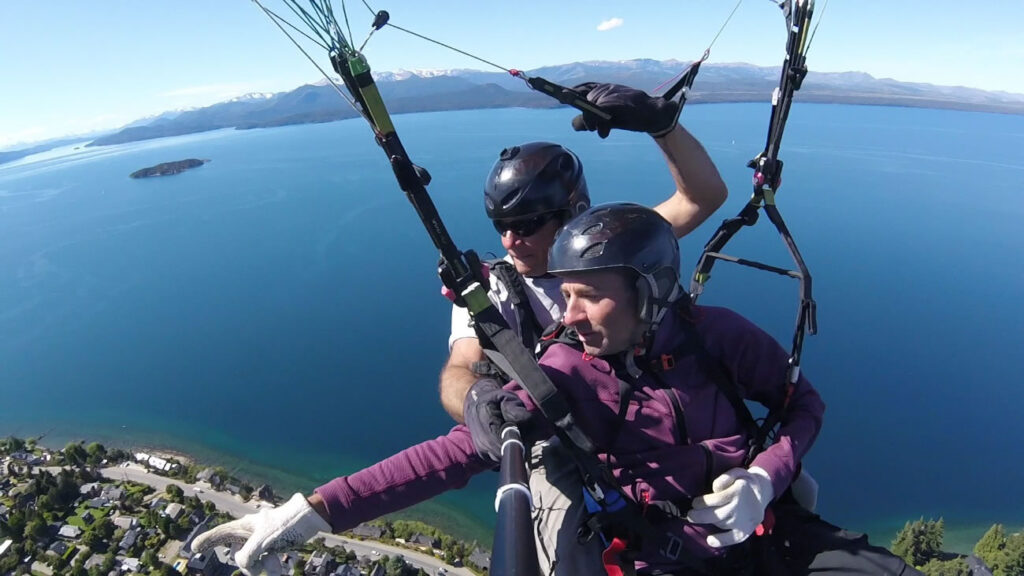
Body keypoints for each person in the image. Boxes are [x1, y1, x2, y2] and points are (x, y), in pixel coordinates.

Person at [192, 203, 920, 576]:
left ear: (650, 291)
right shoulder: (568, 371)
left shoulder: (716, 335)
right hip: (666, 554)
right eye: (561, 294)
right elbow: (457, 453)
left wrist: (766, 476)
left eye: (585, 296)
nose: (564, 316)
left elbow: (802, 403)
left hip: (769, 535)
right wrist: (315, 511)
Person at [439, 82, 729, 424]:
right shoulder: (492, 290)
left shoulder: (614, 245)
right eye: (500, 226)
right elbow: (460, 367)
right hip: (574, 441)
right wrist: (478, 404)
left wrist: (663, 127)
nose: (509, 242)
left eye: (527, 225)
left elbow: (703, 197)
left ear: (572, 214)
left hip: (661, 417)